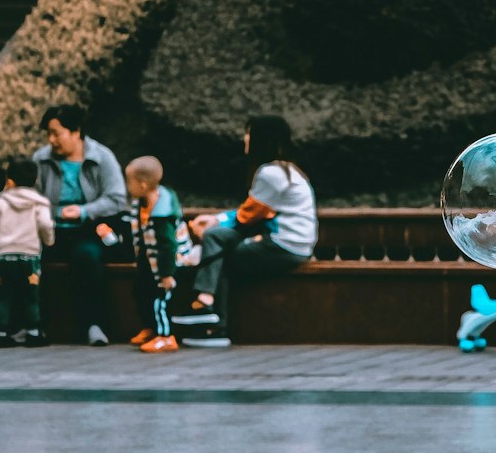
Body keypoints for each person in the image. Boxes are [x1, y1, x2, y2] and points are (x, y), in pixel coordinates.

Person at [174, 115, 317, 348]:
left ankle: (212, 319)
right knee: (216, 237)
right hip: (288, 242)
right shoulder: (286, 170)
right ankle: (207, 309)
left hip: (283, 245)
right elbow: (252, 213)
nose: (245, 138)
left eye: (249, 133)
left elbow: (246, 217)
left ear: (262, 139)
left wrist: (214, 221)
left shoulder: (271, 174)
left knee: (221, 252)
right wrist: (217, 221)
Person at [33, 104, 127, 346]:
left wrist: (85, 211)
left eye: (57, 133)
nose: (51, 140)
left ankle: (94, 325)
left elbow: (117, 198)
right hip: (49, 229)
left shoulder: (101, 157)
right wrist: (54, 213)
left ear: (76, 132)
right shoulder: (41, 160)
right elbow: (30, 197)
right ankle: (32, 324)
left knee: (87, 257)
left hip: (88, 229)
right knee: (27, 258)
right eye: (49, 134)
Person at [101, 155, 194, 354]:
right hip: (149, 260)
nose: (127, 187)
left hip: (170, 263)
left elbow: (169, 246)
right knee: (141, 291)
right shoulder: (139, 205)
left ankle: (166, 336)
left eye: (130, 182)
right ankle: (150, 328)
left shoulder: (162, 214)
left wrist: (167, 274)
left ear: (143, 185)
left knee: (160, 300)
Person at [0, 158, 55, 348]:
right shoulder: (40, 203)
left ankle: (0, 333)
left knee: (4, 296)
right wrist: (49, 241)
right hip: (29, 257)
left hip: (4, 258)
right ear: (35, 180)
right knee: (31, 296)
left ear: (10, 181)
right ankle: (34, 333)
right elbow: (46, 225)